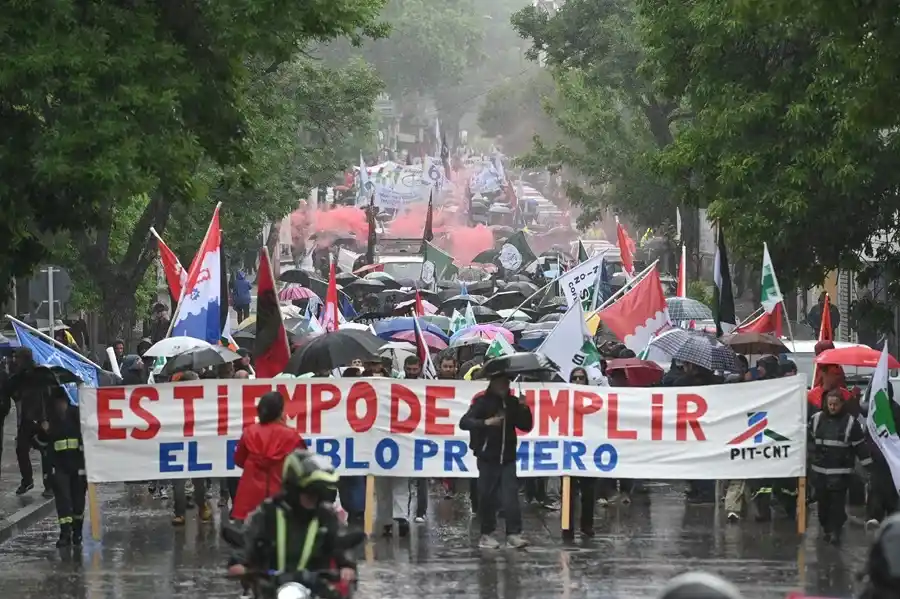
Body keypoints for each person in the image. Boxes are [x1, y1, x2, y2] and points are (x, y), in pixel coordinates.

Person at [227, 450, 356, 595]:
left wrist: (347, 566)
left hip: (315, 590)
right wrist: (239, 562)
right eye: (308, 495)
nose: (312, 501)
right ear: (294, 489)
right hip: (269, 589)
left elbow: (339, 544)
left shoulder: (326, 517)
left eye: (316, 495)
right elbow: (248, 539)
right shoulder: (268, 513)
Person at [459, 371, 533, 549]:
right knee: (487, 497)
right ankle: (486, 534)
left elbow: (525, 426)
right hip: (487, 458)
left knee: (511, 497)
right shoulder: (482, 402)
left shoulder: (513, 403)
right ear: (492, 383)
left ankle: (513, 534)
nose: (503, 386)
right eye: (499, 382)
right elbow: (464, 422)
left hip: (507, 458)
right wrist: (486, 423)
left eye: (506, 383)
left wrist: (524, 408)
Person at [808, 388, 872, 544]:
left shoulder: (851, 423)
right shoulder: (816, 419)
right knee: (823, 508)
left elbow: (860, 447)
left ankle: (835, 532)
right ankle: (827, 528)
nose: (832, 407)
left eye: (835, 404)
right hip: (820, 473)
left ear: (842, 404)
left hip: (841, 474)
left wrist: (869, 468)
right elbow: (808, 441)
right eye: (830, 404)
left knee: (836, 505)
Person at [231, 391, 306, 522]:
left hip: (249, 498)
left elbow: (239, 460)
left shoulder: (250, 432)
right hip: (280, 496)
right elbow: (302, 467)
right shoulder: (292, 436)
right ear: (280, 411)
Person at [33, 389, 86, 546]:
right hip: (59, 466)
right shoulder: (49, 419)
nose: (59, 406)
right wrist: (43, 431)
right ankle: (65, 534)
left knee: (78, 502)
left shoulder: (77, 414)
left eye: (61, 402)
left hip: (78, 466)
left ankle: (77, 532)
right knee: (63, 501)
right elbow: (38, 443)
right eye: (56, 403)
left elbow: (89, 435)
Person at [4, 348, 54, 497]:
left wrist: (45, 419)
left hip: (41, 419)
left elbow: (46, 396)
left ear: (24, 358)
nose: (15, 361)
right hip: (27, 418)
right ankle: (27, 480)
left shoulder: (39, 374)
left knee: (45, 451)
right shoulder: (20, 375)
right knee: (21, 449)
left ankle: (49, 485)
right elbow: (10, 388)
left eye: (17, 358)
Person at [562, 367, 595, 540]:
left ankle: (587, 526)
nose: (577, 382)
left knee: (588, 494)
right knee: (568, 492)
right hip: (568, 453)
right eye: (574, 378)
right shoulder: (564, 400)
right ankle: (567, 527)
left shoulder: (595, 401)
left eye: (581, 378)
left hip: (588, 453)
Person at [861, 383, 900, 527]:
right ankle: (874, 518)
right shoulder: (872, 409)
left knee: (889, 491)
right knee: (875, 489)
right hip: (876, 459)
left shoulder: (895, 411)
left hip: (890, 460)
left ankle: (890, 519)